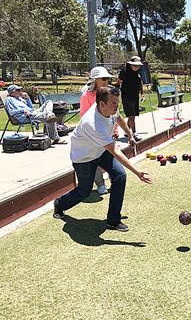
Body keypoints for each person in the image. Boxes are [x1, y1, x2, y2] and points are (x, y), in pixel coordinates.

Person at [53, 86, 152, 232]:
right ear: (101, 104)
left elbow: (118, 117)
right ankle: (60, 204)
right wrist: (137, 172)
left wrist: (129, 134)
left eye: (117, 103)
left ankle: (113, 220)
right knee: (84, 191)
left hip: (100, 151)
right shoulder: (92, 124)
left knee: (120, 176)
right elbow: (115, 151)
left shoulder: (110, 108)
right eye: (113, 103)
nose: (116, 106)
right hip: (84, 157)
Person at [80, 66, 116, 195]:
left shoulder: (110, 93)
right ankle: (100, 184)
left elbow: (114, 113)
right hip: (93, 135)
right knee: (95, 160)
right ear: (95, 80)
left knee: (111, 158)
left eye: (108, 79)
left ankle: (115, 181)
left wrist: (115, 129)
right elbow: (83, 116)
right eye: (104, 79)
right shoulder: (86, 95)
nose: (106, 81)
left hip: (108, 131)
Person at [117, 56, 145, 141]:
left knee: (132, 115)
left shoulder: (138, 72)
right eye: (134, 65)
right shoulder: (124, 72)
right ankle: (134, 133)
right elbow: (118, 82)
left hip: (135, 96)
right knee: (131, 115)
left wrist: (142, 93)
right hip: (126, 96)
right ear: (131, 64)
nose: (136, 67)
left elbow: (140, 83)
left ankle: (126, 132)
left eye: (138, 66)